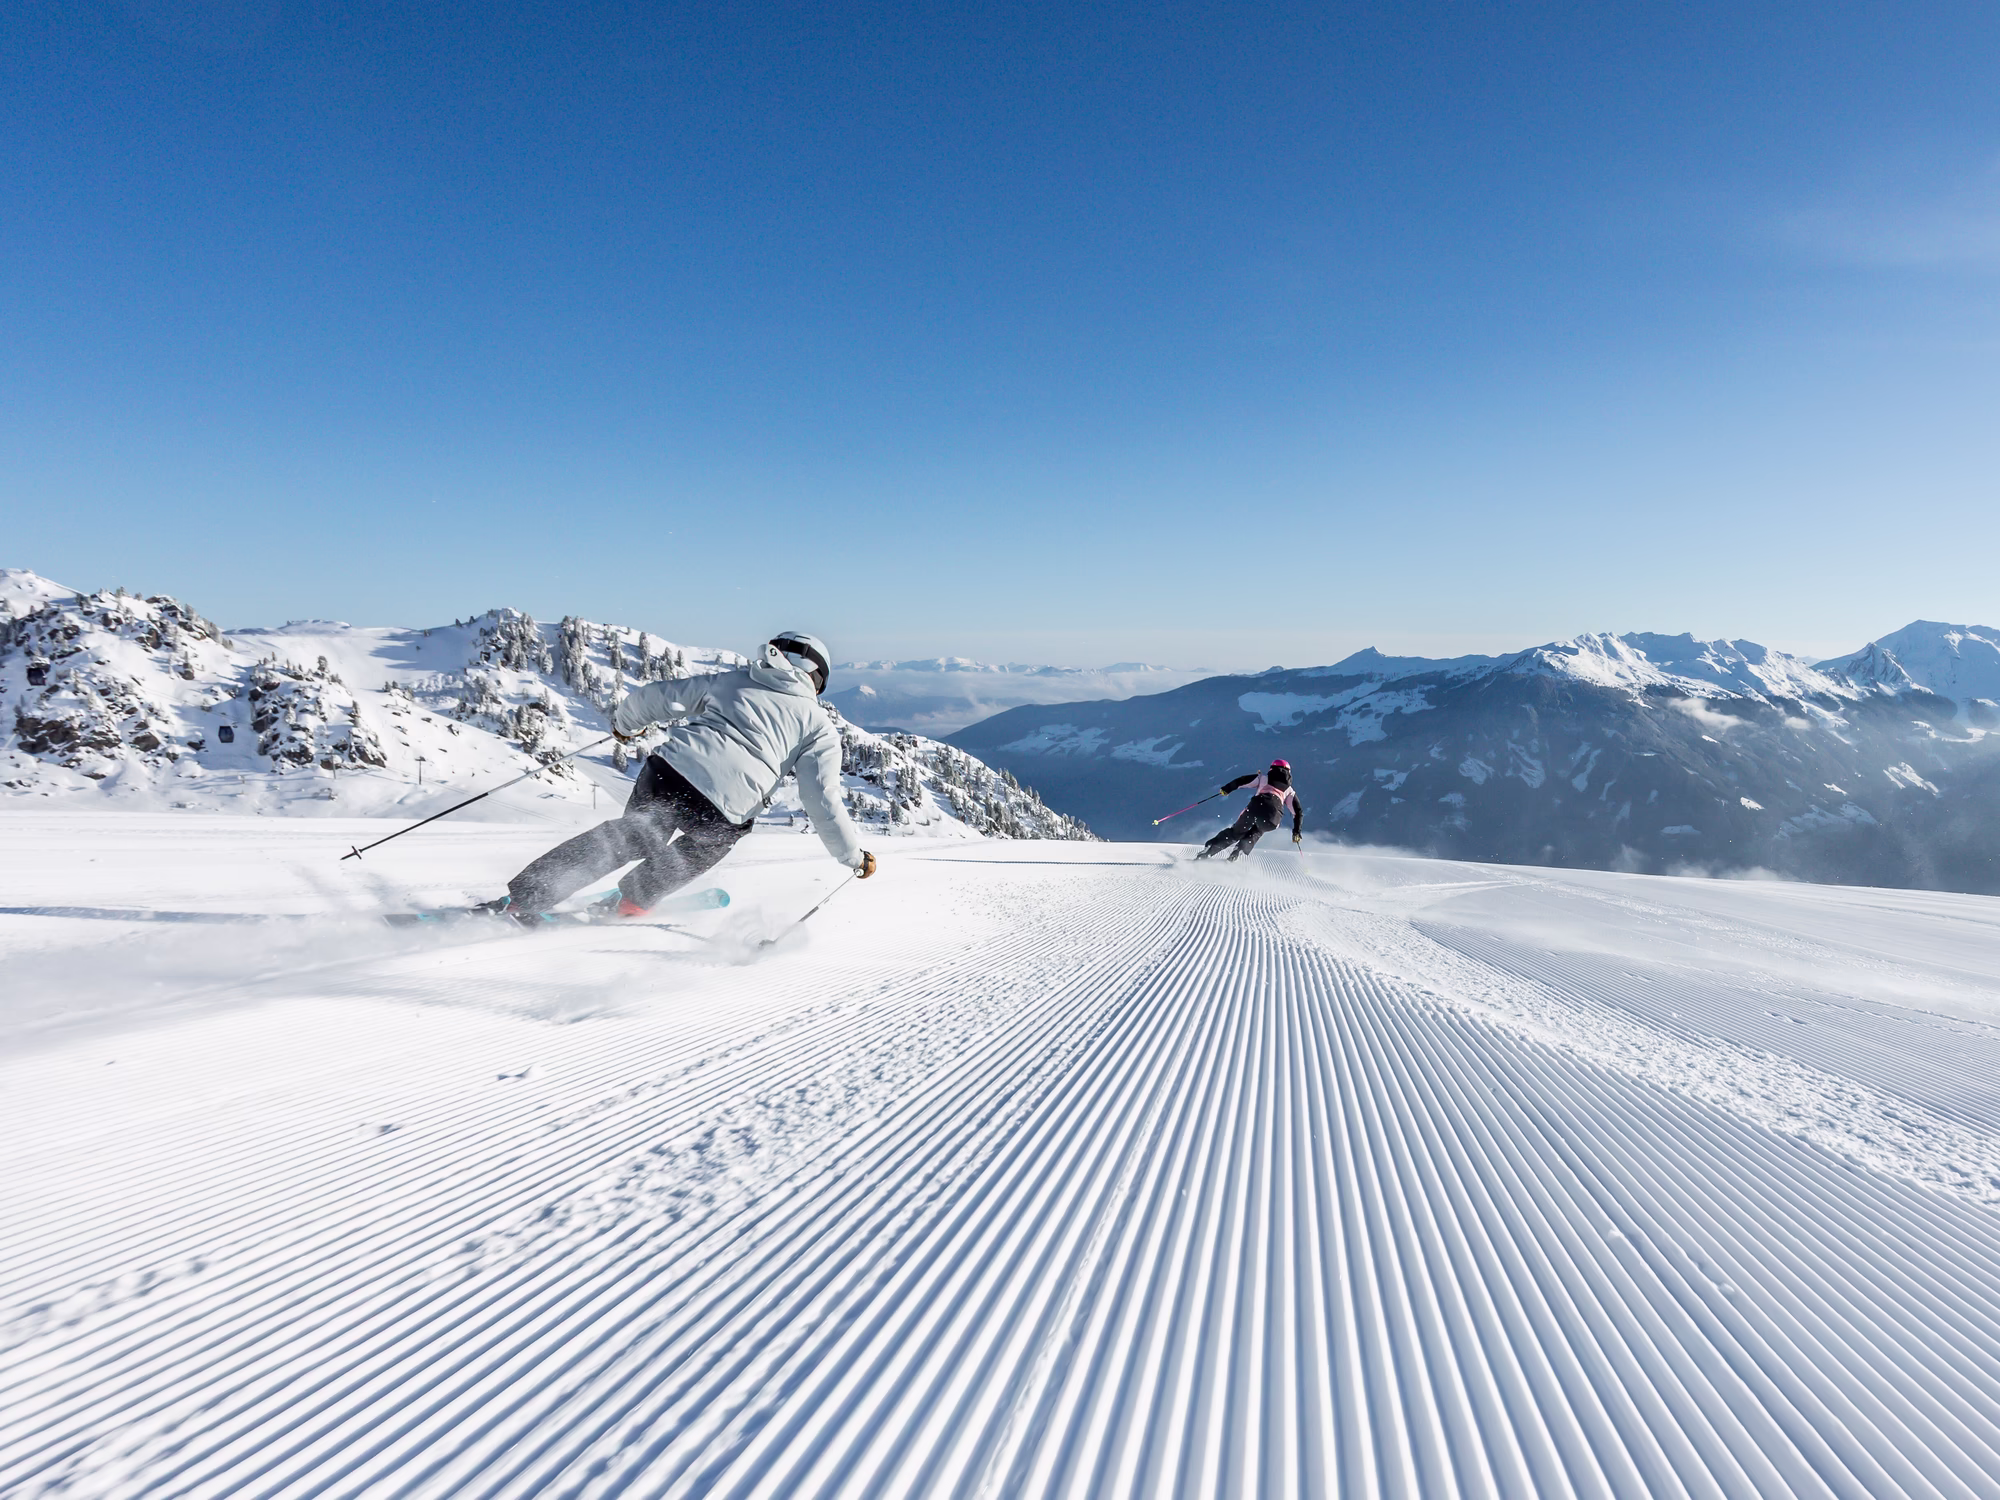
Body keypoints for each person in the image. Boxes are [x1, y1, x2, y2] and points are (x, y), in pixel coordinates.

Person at [482, 632, 876, 924]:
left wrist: (624, 726)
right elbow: (821, 801)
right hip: (725, 808)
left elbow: (654, 698)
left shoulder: (732, 681)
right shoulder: (819, 727)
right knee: (706, 844)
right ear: (817, 680)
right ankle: (634, 900)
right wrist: (852, 858)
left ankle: (525, 898)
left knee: (629, 836)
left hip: (668, 774)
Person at [1195, 759, 1303, 862]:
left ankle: (1208, 851)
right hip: (1273, 817)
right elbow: (1298, 812)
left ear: (1272, 768)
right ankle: (1238, 852)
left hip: (1255, 808)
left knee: (1235, 832)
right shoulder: (1289, 791)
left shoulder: (1263, 778)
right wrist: (1296, 832)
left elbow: (1242, 781)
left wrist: (1226, 789)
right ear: (1288, 773)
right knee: (1258, 831)